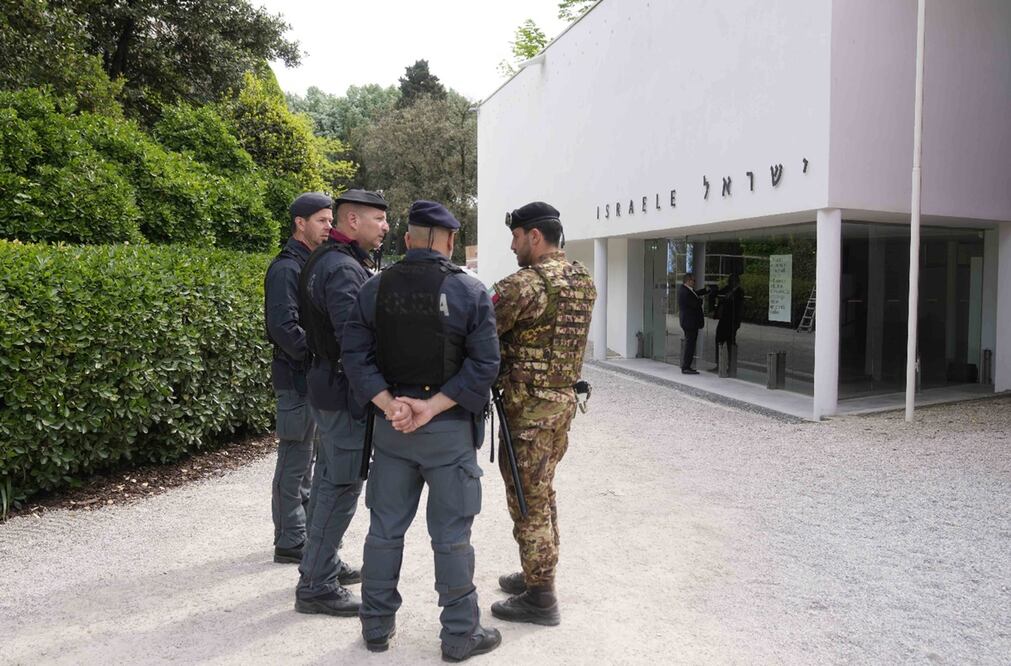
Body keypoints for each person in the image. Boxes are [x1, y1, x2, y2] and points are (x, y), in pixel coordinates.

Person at [342, 200, 502, 661]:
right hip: (447, 429)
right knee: (452, 536)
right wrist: (429, 407)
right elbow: (485, 364)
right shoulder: (470, 291)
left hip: (393, 429)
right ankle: (458, 634)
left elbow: (355, 357)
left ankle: (375, 626)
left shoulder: (374, 288)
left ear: (409, 239)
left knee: (384, 531)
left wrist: (393, 405)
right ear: (449, 241)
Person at [488, 201, 596, 626]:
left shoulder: (524, 285)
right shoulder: (583, 279)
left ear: (534, 236)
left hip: (528, 409)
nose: (513, 246)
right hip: (563, 404)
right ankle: (539, 572)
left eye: (516, 236)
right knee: (543, 491)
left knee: (528, 498)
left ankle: (541, 598)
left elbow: (480, 330)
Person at [293, 188, 389, 616]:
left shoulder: (325, 259)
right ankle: (316, 583)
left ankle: (321, 565)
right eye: (378, 220)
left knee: (332, 478)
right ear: (353, 221)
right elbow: (356, 341)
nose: (385, 227)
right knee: (341, 485)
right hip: (341, 390)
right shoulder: (344, 270)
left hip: (325, 383)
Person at [264, 192, 333, 564]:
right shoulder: (287, 268)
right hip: (296, 379)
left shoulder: (312, 264)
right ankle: (289, 539)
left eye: (330, 220)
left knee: (312, 459)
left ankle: (301, 532)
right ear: (300, 223)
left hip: (315, 378)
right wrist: (320, 354)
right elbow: (283, 327)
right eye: (322, 220)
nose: (329, 227)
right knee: (295, 458)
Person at [677, 274, 710, 375]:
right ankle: (686, 367)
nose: (694, 282)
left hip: (690, 322)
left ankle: (687, 366)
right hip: (689, 322)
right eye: (693, 280)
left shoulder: (687, 290)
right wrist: (700, 301)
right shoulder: (685, 292)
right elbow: (695, 303)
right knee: (690, 345)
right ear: (688, 281)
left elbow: (696, 294)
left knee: (690, 344)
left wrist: (705, 290)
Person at [713, 273, 744, 370]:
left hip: (732, 321)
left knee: (731, 344)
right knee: (719, 341)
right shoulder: (726, 289)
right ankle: (719, 364)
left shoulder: (740, 292)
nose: (730, 283)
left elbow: (740, 309)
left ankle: (731, 366)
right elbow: (718, 294)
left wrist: (737, 323)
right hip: (724, 320)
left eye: (732, 281)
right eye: (730, 281)